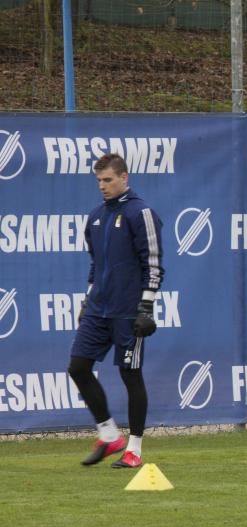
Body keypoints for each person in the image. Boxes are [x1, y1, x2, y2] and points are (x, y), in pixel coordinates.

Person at [69, 153, 164, 469]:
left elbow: (152, 263)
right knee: (78, 367)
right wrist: (86, 300)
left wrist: (146, 307)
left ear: (124, 177)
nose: (102, 186)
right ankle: (109, 435)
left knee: (130, 374)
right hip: (98, 310)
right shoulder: (96, 216)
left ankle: (134, 449)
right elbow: (96, 266)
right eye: (99, 181)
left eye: (108, 179)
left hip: (128, 312)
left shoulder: (142, 213)